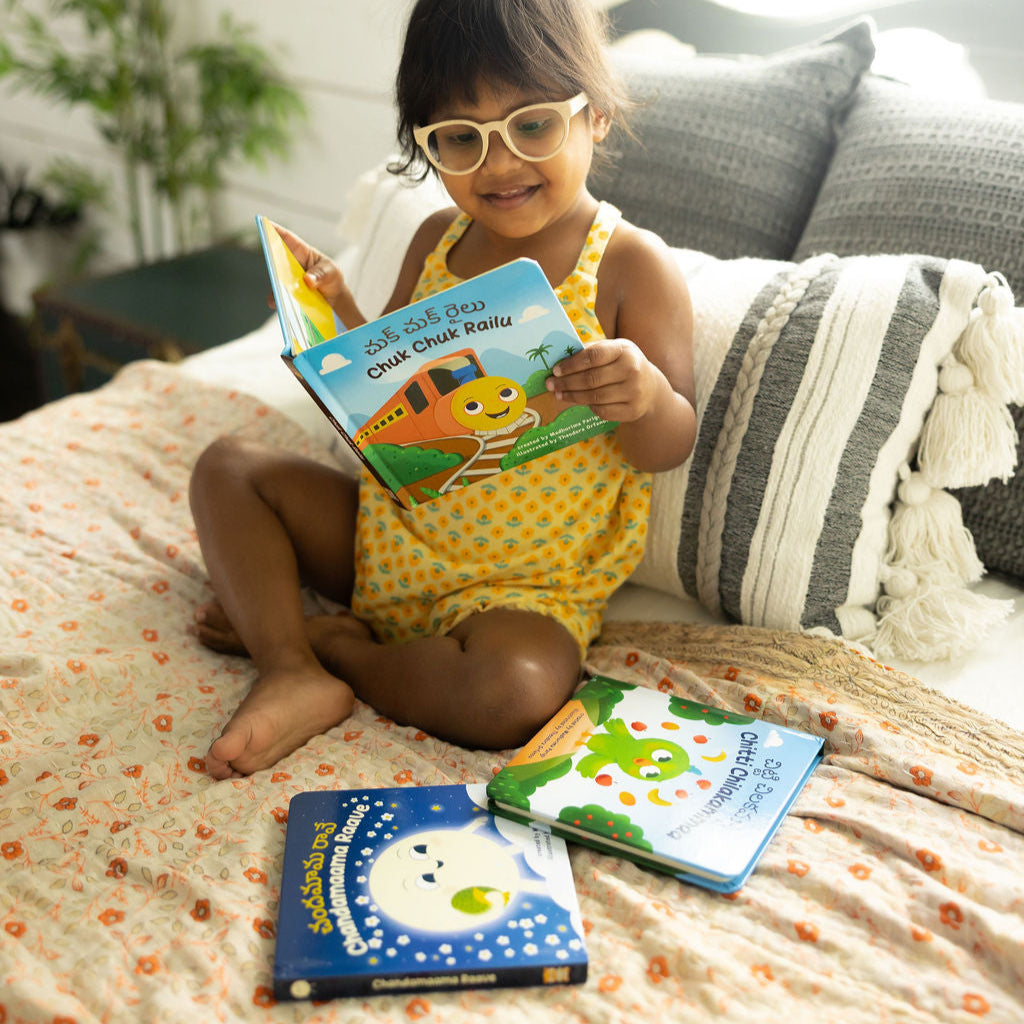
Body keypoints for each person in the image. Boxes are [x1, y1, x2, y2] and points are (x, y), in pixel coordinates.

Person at [189, 0, 697, 780]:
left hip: (525, 588)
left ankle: (336, 649)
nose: (498, 165)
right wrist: (334, 334)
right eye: (462, 138)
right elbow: (386, 390)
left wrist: (646, 395)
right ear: (427, 146)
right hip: (386, 539)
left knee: (510, 695)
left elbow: (670, 445)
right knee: (226, 466)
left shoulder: (632, 265)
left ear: (593, 118)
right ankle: (290, 668)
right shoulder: (437, 240)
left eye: (531, 125)